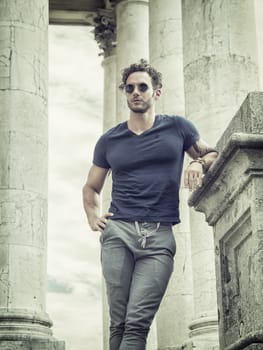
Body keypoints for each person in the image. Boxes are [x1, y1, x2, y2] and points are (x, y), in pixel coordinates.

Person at [82, 59, 218, 350]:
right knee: (118, 324)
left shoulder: (178, 128)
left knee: (136, 323)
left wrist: (195, 162)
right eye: (129, 88)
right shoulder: (109, 139)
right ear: (125, 93)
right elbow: (91, 187)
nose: (136, 92)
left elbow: (213, 155)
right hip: (118, 234)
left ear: (156, 92)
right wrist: (94, 217)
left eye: (142, 87)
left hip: (159, 239)